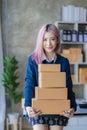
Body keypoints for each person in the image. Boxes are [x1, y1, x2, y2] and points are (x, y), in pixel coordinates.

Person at [24, 24, 77, 130]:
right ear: (40, 41)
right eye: (45, 40)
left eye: (52, 39)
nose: (48, 43)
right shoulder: (33, 60)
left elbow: (68, 87)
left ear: (57, 40)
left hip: (58, 109)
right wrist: (28, 106)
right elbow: (29, 83)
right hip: (38, 108)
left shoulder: (63, 62)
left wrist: (72, 107)